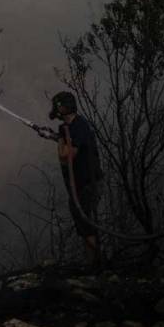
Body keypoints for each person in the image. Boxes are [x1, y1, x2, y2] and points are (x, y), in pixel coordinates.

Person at [50, 91, 103, 269]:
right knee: (82, 222)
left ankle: (94, 264)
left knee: (86, 222)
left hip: (88, 183)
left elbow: (66, 156)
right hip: (80, 184)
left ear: (63, 108)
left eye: (58, 106)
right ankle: (92, 262)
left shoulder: (78, 126)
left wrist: (59, 140)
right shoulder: (69, 128)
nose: (56, 109)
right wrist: (59, 137)